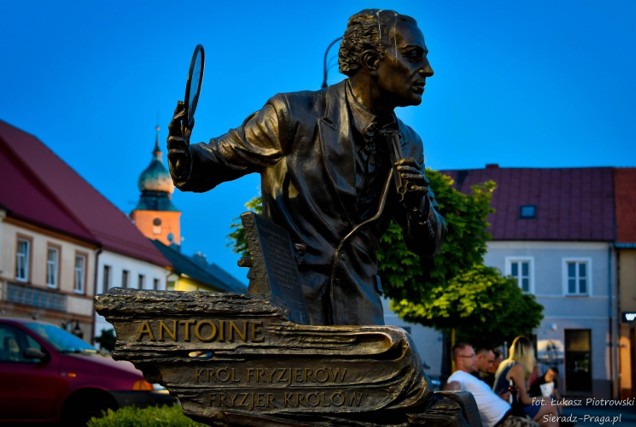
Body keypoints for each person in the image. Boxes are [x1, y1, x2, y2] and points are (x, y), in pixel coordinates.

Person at [167, 9, 446, 326]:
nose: (428, 70)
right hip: (289, 302)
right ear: (370, 60)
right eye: (413, 56)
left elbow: (427, 243)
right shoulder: (294, 114)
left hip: (359, 309)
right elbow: (213, 161)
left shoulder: (409, 143)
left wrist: (418, 205)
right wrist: (183, 154)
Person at [445, 343, 523, 427]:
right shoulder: (458, 375)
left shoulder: (468, 377)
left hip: (509, 417)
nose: (475, 359)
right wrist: (444, 400)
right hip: (505, 421)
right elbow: (453, 385)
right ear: (460, 359)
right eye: (471, 356)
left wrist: (500, 398)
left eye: (474, 355)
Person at [493, 336, 559, 427]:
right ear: (528, 353)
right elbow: (525, 400)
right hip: (509, 411)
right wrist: (544, 399)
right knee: (550, 404)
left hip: (502, 408)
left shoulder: (506, 363)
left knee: (548, 421)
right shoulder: (516, 367)